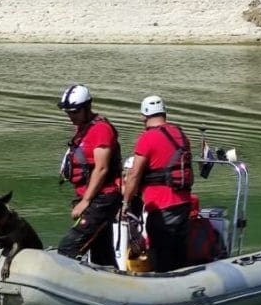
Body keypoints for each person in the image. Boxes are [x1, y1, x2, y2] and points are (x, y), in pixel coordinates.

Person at [121, 95, 194, 272]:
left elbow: (134, 174)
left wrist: (125, 202)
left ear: (143, 116)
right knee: (179, 251)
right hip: (184, 202)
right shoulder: (180, 134)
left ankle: (167, 290)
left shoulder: (147, 138)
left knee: (163, 254)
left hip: (162, 206)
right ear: (164, 112)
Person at [56, 84, 123, 266]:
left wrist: (85, 201)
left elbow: (101, 168)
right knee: (101, 252)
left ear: (87, 107)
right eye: (68, 112)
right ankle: (112, 284)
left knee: (68, 248)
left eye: (74, 112)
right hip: (90, 197)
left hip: (103, 198)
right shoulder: (81, 128)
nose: (71, 116)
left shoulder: (101, 130)